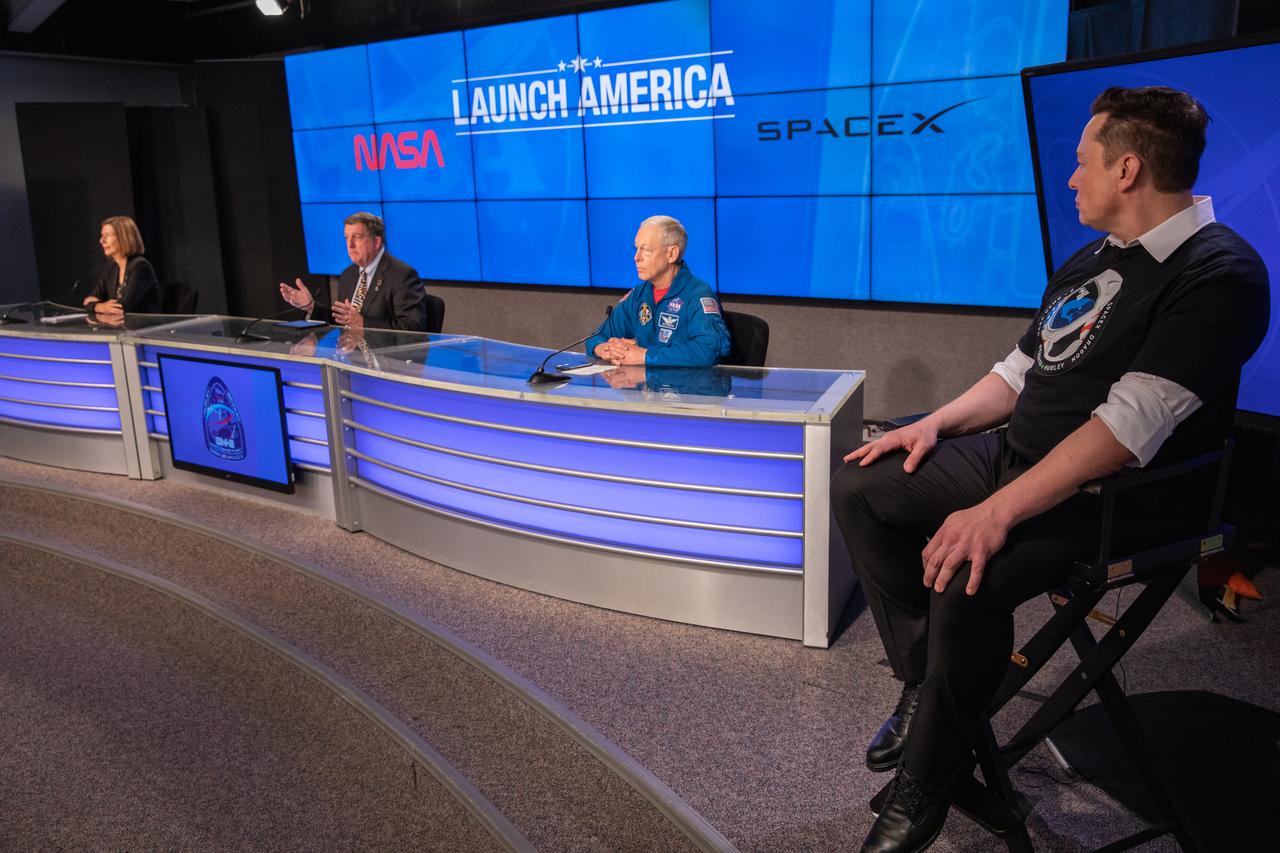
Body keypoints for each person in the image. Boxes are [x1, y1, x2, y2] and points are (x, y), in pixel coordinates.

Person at [830, 86, 1269, 852]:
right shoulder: (1092, 258)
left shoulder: (1218, 274)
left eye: (1081, 163)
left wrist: (996, 510)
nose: (1072, 179)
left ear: (1127, 169)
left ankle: (926, 780)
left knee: (965, 570)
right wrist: (929, 426)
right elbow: (1017, 373)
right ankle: (926, 684)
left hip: (1119, 496)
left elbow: (1128, 430)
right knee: (864, 484)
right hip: (1022, 456)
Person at [586, 215, 730, 367]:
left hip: (687, 388)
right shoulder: (638, 295)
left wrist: (644, 355)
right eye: (636, 248)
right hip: (645, 387)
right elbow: (598, 336)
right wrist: (603, 348)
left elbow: (709, 350)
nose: (636, 257)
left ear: (671, 254)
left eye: (646, 250)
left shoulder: (698, 295)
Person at [279, 211, 427, 332]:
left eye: (356, 237)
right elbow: (341, 322)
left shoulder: (402, 275)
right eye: (346, 238)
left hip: (387, 362)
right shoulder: (348, 275)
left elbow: (413, 328)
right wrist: (310, 306)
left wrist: (363, 322)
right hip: (351, 358)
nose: (349, 245)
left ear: (376, 242)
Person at [84, 215, 160, 320]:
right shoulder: (111, 267)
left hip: (144, 330)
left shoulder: (140, 266)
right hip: (121, 328)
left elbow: (123, 307)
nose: (101, 240)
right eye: (102, 236)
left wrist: (97, 306)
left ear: (123, 238)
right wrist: (100, 306)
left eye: (107, 235)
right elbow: (88, 301)